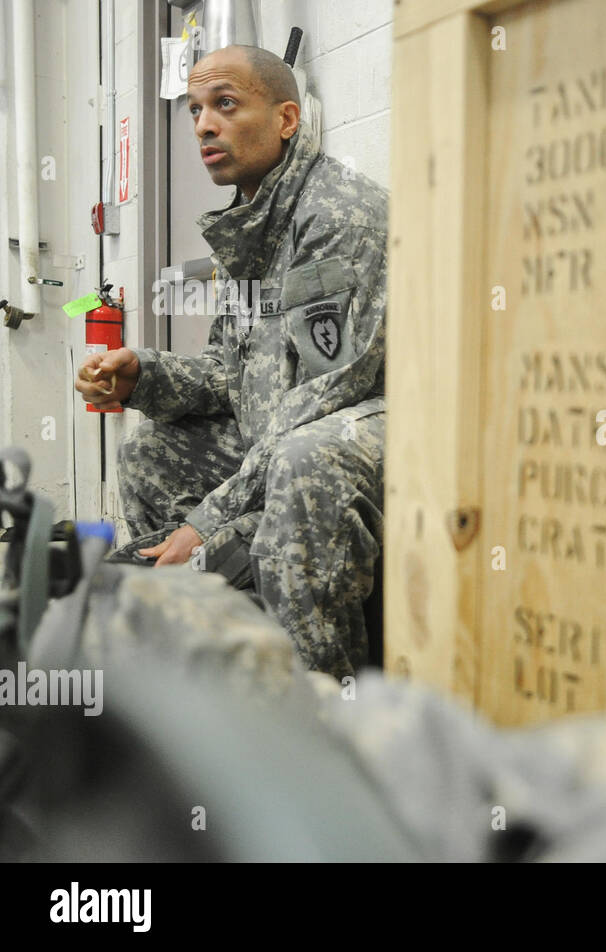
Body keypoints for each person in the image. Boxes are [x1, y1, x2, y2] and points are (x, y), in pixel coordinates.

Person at [72, 44, 388, 681]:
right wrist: (145, 375)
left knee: (305, 459)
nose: (203, 126)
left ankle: (329, 705)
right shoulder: (254, 223)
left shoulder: (335, 215)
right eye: (194, 110)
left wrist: (207, 518)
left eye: (225, 105)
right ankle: (216, 644)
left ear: (286, 119)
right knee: (148, 452)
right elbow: (229, 370)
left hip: (366, 424)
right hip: (287, 432)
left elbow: (327, 392)